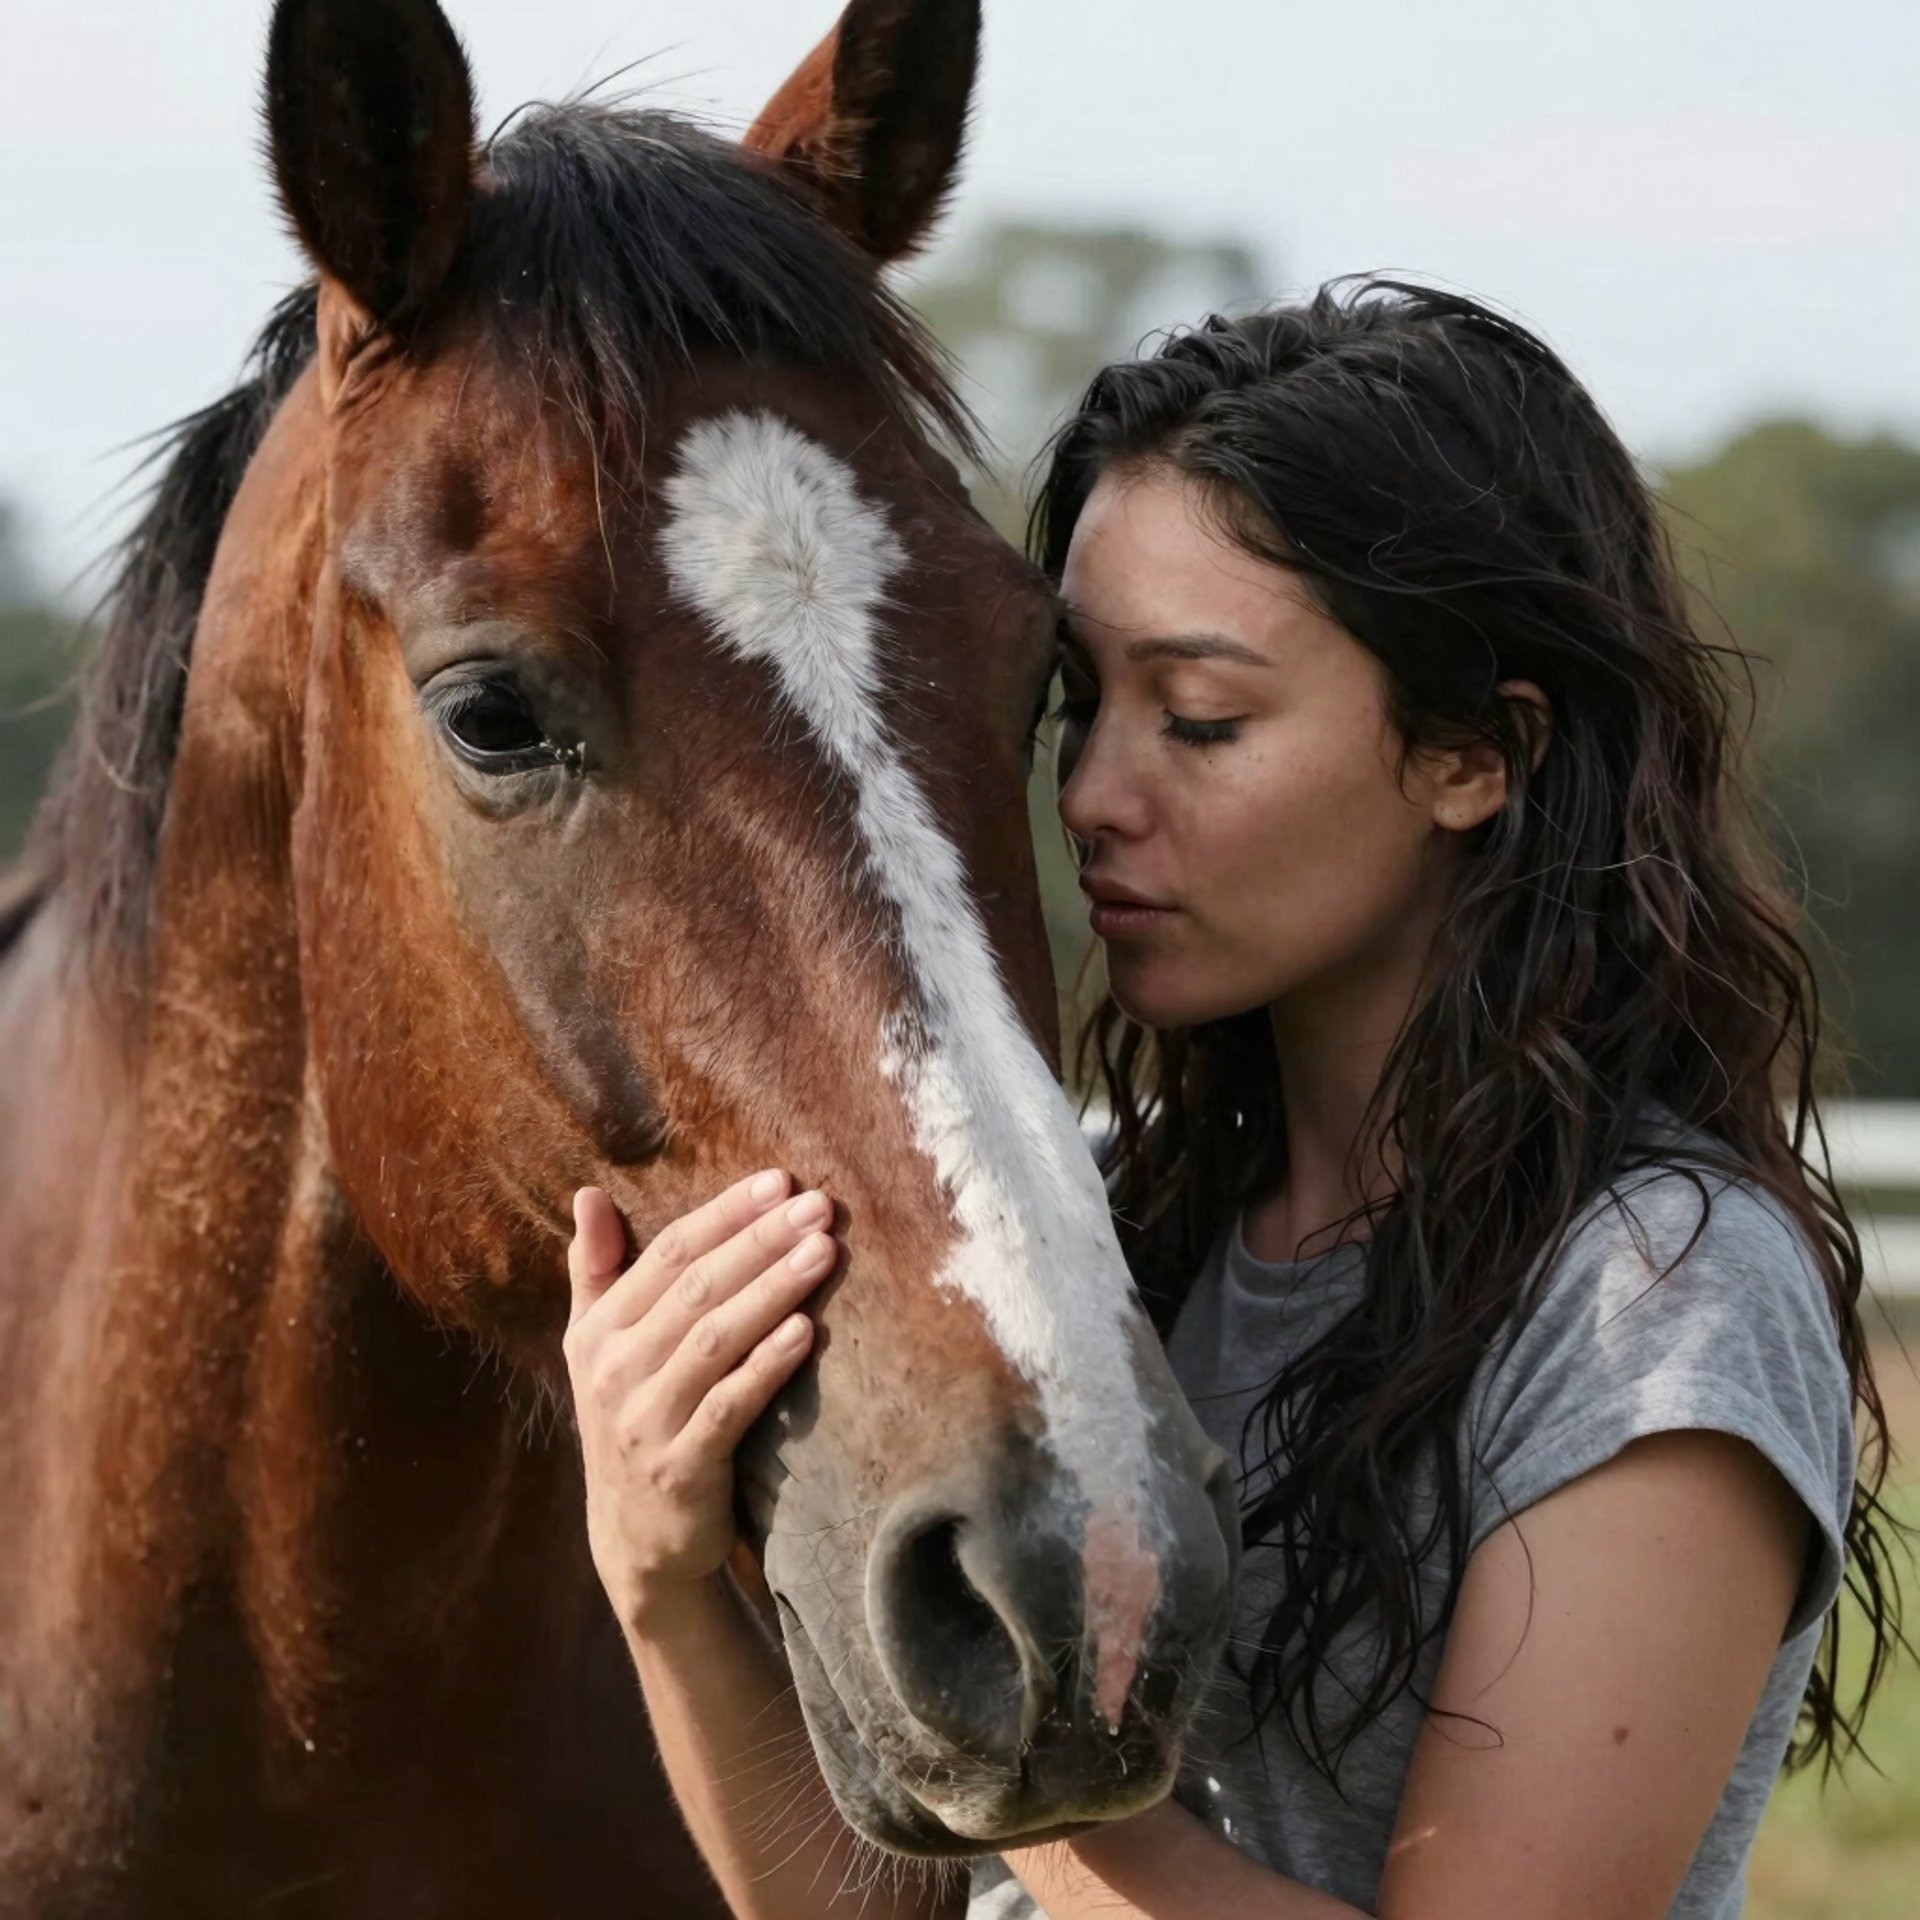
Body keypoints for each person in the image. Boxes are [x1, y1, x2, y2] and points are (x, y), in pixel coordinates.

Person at [561, 279, 1898, 1919]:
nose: (1097, 798)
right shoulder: (1115, 1244)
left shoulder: (1652, 1299)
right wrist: (668, 1583)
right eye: (1081, 706)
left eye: (1200, 717)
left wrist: (1004, 1747)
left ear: (1475, 752)